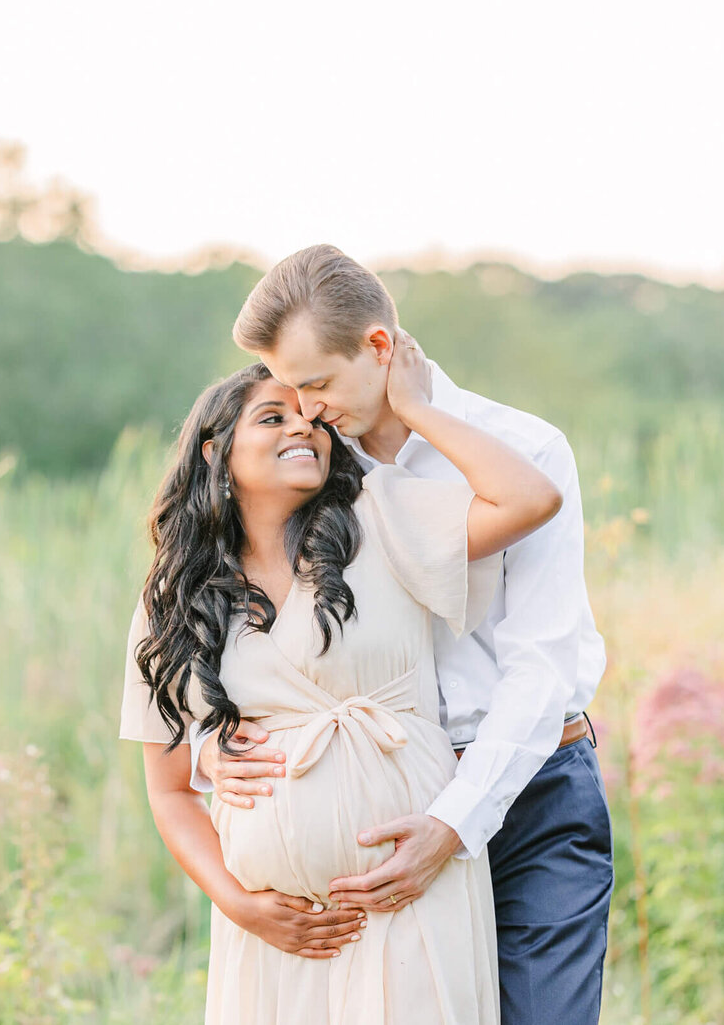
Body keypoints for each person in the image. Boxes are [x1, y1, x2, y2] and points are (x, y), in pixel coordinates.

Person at [190, 244, 613, 1025]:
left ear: (380, 347)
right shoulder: (317, 466)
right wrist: (214, 741)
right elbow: (247, 604)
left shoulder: (526, 449)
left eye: (316, 384)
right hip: (387, 810)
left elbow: (540, 668)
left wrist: (453, 822)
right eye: (291, 392)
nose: (307, 411)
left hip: (531, 794)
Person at [118, 345, 562, 1022]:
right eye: (273, 416)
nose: (303, 427)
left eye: (313, 417)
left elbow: (532, 498)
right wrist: (240, 906)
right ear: (215, 453)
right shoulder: (173, 599)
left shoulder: (382, 518)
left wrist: (416, 408)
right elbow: (170, 790)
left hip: (408, 894)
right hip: (275, 933)